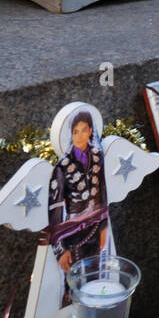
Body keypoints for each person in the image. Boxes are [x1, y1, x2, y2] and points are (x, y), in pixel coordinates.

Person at [48, 109, 108, 307]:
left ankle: (95, 313)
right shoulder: (62, 167)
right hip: (72, 233)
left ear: (91, 131)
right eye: (75, 132)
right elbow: (55, 209)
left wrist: (104, 227)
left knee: (94, 277)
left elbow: (102, 193)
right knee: (74, 282)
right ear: (70, 134)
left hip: (94, 229)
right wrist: (60, 249)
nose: (80, 136)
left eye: (84, 130)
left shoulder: (98, 157)